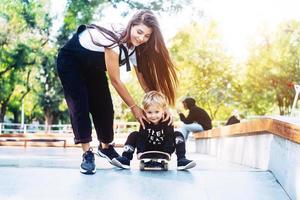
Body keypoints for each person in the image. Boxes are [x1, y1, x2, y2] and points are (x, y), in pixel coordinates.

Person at [56, 10, 178, 174]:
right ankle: (86, 153)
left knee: (105, 108)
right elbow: (115, 80)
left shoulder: (135, 48)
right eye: (139, 32)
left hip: (94, 67)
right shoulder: (114, 38)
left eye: (147, 36)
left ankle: (105, 147)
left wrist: (163, 106)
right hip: (71, 61)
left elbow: (143, 81)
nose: (141, 38)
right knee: (80, 106)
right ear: (131, 26)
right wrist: (134, 108)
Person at [111, 91, 196, 170]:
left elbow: (169, 138)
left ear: (163, 110)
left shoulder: (167, 121)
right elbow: (142, 137)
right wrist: (140, 151)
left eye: (156, 112)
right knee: (134, 134)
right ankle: (126, 159)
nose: (153, 116)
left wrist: (167, 152)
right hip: (147, 148)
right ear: (144, 111)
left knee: (178, 134)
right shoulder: (144, 121)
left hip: (164, 149)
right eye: (149, 112)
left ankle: (181, 160)